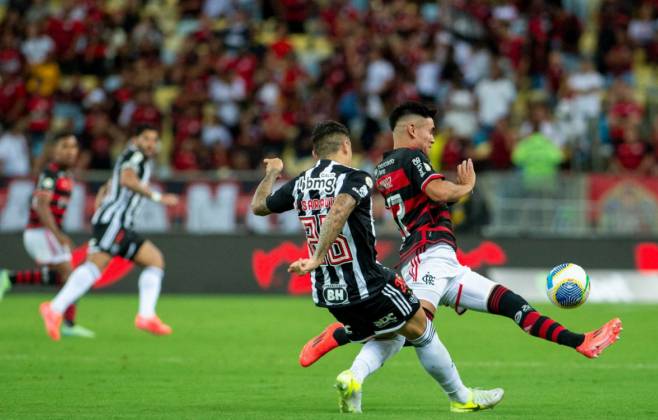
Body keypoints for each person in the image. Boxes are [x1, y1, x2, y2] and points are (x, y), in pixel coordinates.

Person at [301, 102, 622, 368]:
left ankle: (579, 341)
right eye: (429, 131)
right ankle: (340, 334)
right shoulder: (412, 157)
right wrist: (466, 187)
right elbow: (438, 191)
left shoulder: (384, 167)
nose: (432, 138)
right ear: (412, 130)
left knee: (512, 304)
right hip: (424, 258)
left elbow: (425, 196)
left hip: (443, 261)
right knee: (409, 331)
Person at [251, 121, 503, 414]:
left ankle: (352, 379)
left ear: (314, 151)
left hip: (329, 293)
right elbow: (339, 210)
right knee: (421, 328)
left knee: (392, 333)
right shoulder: (358, 178)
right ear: (346, 146)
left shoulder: (300, 183)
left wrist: (271, 173)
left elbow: (259, 206)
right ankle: (462, 397)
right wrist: (318, 255)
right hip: (367, 283)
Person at [38, 125, 179, 341]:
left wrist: (103, 197)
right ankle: (55, 308)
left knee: (155, 261)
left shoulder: (132, 157)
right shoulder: (136, 157)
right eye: (146, 139)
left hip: (121, 223)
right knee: (95, 266)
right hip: (115, 223)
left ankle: (146, 316)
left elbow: (114, 181)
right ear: (136, 139)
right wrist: (158, 198)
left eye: (154, 139)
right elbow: (127, 180)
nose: (151, 144)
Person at [0, 133, 94, 338]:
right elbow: (41, 207)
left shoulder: (65, 174)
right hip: (41, 232)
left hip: (46, 233)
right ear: (54, 150)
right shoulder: (50, 174)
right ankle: (65, 322)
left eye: (73, 147)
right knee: (72, 276)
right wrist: (58, 234)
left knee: (64, 278)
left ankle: (9, 278)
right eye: (65, 146)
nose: (70, 151)